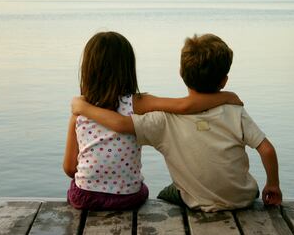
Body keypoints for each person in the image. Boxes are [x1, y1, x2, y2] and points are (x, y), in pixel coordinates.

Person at [71, 33, 282, 212]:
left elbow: (120, 126)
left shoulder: (162, 121)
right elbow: (267, 150)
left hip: (195, 201)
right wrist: (272, 184)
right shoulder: (236, 112)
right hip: (242, 197)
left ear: (182, 74)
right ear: (224, 80)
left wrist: (83, 109)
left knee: (166, 193)